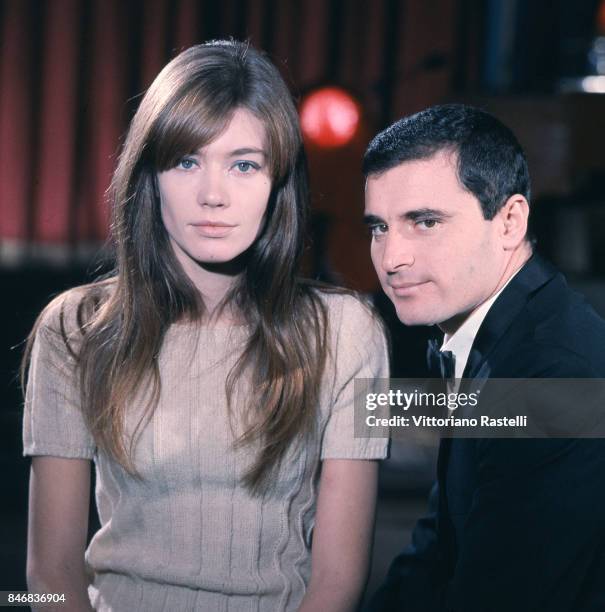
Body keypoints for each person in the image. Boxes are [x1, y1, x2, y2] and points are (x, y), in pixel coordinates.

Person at [22, 40, 389, 612]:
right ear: (151, 176)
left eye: (244, 165)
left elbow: (338, 582)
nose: (213, 195)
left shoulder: (345, 333)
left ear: (277, 184)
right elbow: (48, 574)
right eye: (186, 161)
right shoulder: (75, 330)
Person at [362, 104, 605, 611]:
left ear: (510, 221)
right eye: (379, 227)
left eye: (424, 222)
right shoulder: (497, 335)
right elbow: (441, 542)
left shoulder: (554, 373)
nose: (390, 258)